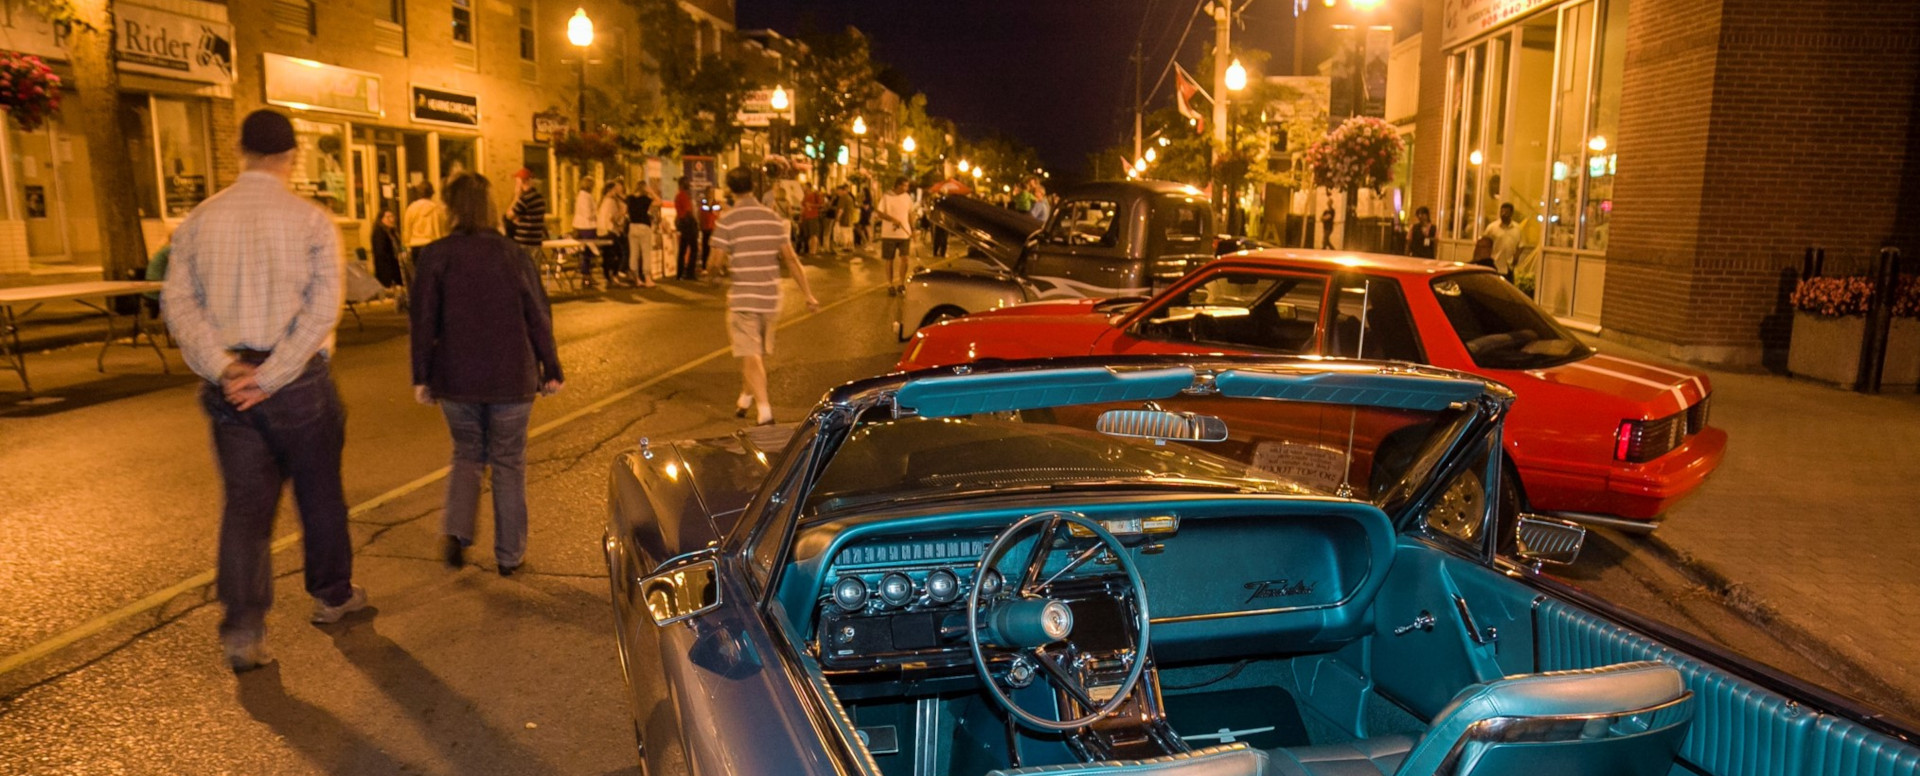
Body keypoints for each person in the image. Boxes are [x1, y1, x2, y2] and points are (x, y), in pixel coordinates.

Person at [162, 109, 365, 672]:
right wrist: (273, 375)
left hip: (232, 386)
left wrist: (225, 368)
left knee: (246, 510)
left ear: (239, 150)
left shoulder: (199, 221)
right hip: (299, 381)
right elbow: (322, 309)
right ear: (291, 156)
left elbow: (178, 304)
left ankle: (244, 629)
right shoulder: (313, 221)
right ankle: (332, 595)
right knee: (320, 493)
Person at [409, 172, 564, 577]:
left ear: (451, 209)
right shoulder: (514, 254)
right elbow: (538, 315)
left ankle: (458, 532)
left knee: (467, 454)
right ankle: (509, 555)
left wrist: (422, 376)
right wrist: (551, 367)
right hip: (512, 378)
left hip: (456, 379)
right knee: (509, 463)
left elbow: (423, 320)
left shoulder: (436, 255)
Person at [708, 166, 819, 426]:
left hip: (743, 298)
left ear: (730, 189)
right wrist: (808, 294)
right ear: (754, 187)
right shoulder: (772, 218)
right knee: (754, 352)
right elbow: (790, 258)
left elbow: (715, 260)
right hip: (771, 298)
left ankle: (765, 410)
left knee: (751, 354)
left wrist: (713, 275)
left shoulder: (727, 220)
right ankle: (745, 397)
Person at [876, 177, 915, 294]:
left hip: (904, 234)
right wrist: (892, 219)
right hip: (889, 233)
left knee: (905, 259)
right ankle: (890, 284)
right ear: (898, 185)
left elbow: (910, 214)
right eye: (905, 185)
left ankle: (901, 283)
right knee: (889, 260)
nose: (907, 188)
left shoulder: (907, 197)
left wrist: (913, 229)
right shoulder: (886, 196)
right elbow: (880, 213)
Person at [625, 179, 659, 287]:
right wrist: (651, 192)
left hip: (632, 227)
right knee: (645, 253)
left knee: (634, 253)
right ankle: (647, 278)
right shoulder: (645, 199)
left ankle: (636, 278)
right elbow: (659, 202)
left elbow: (625, 210)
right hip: (644, 227)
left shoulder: (630, 199)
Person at [507, 168, 548, 258]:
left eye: (517, 182)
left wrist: (516, 196)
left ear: (522, 182)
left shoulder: (524, 199)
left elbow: (509, 215)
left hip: (523, 242)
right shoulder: (540, 198)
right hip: (536, 242)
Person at [596, 179, 628, 286]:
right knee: (620, 254)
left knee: (607, 256)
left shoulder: (603, 201)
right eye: (615, 189)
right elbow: (613, 218)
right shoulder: (611, 202)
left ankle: (608, 278)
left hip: (601, 232)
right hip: (610, 231)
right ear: (610, 190)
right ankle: (614, 276)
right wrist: (622, 213)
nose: (616, 192)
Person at [403, 181, 446, 261]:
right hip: (432, 245)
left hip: (416, 245)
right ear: (431, 193)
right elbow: (442, 230)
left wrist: (406, 245)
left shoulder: (411, 208)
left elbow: (407, 230)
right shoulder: (437, 209)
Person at [1481, 202, 1523, 281]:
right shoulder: (1492, 228)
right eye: (1502, 212)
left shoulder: (1517, 229)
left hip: (1508, 267)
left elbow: (1521, 245)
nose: (1503, 214)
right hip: (1494, 265)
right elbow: (1483, 244)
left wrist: (1516, 256)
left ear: (1511, 213)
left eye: (1506, 212)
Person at [571, 177, 599, 286]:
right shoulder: (586, 197)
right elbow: (588, 213)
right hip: (587, 226)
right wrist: (596, 213)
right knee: (588, 251)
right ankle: (586, 274)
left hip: (580, 226)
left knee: (585, 251)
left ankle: (586, 275)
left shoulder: (580, 196)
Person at [370, 208, 406, 291]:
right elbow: (380, 252)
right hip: (386, 267)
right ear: (381, 219)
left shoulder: (393, 232)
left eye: (392, 216)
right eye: (388, 217)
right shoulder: (379, 233)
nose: (391, 219)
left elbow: (399, 246)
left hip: (394, 264)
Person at [673, 177, 700, 280]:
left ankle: (680, 273)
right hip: (688, 224)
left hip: (683, 223)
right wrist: (693, 222)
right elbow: (688, 211)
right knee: (693, 249)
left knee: (683, 249)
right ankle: (690, 272)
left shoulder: (678, 196)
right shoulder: (683, 196)